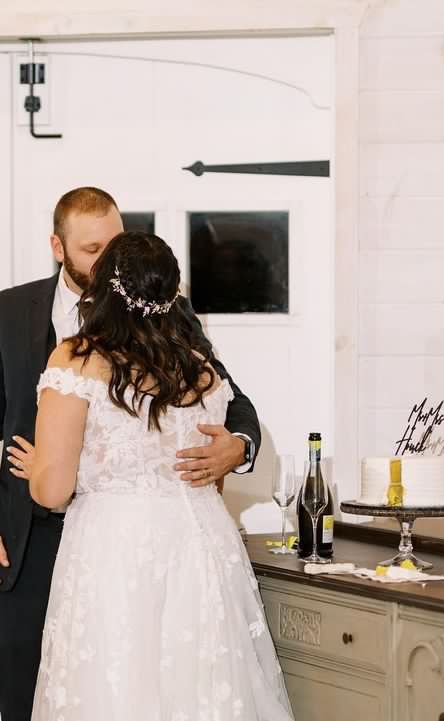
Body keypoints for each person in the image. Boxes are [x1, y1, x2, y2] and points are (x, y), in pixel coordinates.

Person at [0, 188, 262, 721]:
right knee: (35, 691)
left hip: (125, 543)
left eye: (115, 246)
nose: (107, 263)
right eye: (92, 249)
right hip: (26, 539)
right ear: (58, 246)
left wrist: (237, 447)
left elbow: (234, 403)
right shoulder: (10, 309)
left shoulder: (168, 316)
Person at [26, 231, 294, 720]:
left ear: (105, 286)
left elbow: (51, 489)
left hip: (114, 549)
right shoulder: (201, 369)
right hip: (199, 545)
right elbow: (207, 470)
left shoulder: (78, 358)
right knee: (199, 689)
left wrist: (39, 468)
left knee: (118, 686)